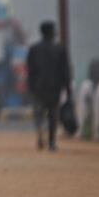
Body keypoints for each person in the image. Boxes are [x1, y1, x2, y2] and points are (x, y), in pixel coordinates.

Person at [27, 21, 71, 151]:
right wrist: (68, 89)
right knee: (53, 115)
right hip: (55, 87)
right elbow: (65, 71)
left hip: (38, 87)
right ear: (52, 32)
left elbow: (30, 70)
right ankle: (51, 142)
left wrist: (31, 87)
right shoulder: (60, 49)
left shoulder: (34, 49)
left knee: (39, 112)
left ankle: (40, 130)